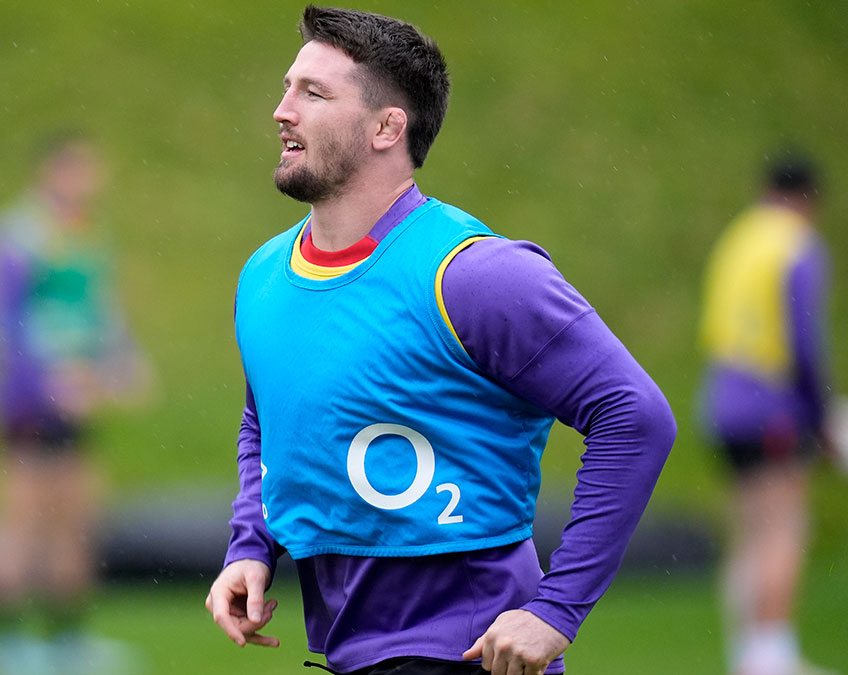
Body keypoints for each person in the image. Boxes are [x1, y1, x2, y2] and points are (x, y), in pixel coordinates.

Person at [204, 7, 676, 675]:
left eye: (313, 93)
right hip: (350, 653)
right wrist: (251, 544)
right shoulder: (264, 276)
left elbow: (635, 415)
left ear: (386, 126)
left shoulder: (476, 275)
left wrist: (555, 609)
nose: (283, 111)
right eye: (288, 87)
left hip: (464, 654)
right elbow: (268, 419)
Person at [0, 133, 150, 674]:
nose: (89, 182)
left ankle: (66, 642)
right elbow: (1, 325)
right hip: (27, 406)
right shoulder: (18, 237)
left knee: (75, 521)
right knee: (19, 520)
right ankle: (2, 644)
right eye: (78, 170)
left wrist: (122, 361)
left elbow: (100, 312)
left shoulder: (88, 237)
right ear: (50, 171)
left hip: (77, 405)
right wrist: (46, 385)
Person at [698, 154, 836, 675]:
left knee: (749, 531)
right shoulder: (795, 243)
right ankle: (771, 654)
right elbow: (805, 340)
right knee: (784, 528)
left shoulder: (741, 236)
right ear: (808, 197)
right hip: (771, 403)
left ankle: (745, 654)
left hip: (723, 403)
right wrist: (823, 415)